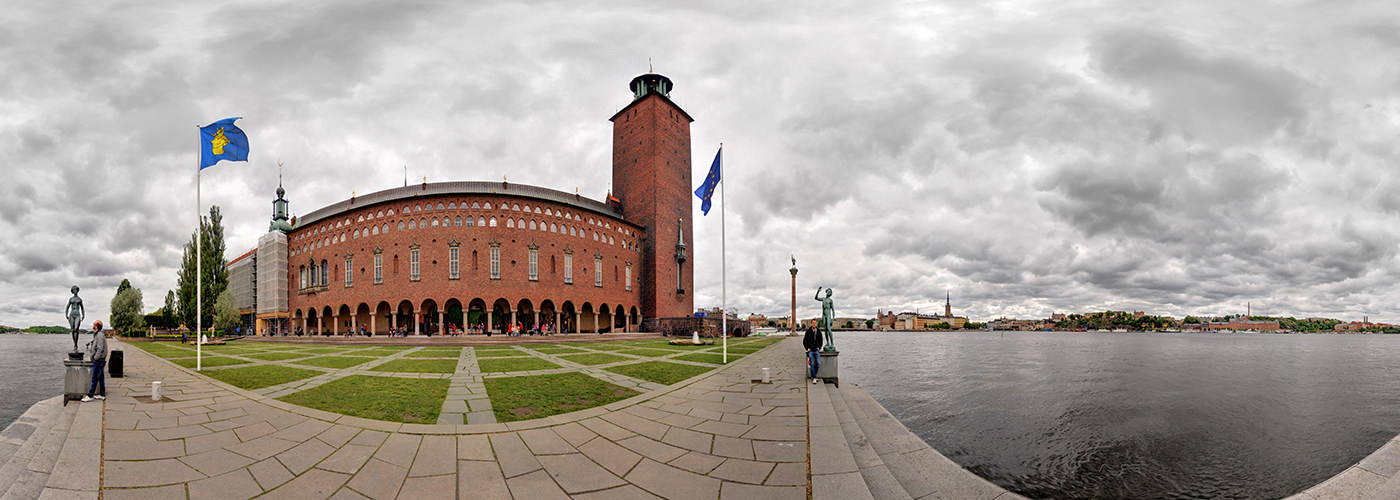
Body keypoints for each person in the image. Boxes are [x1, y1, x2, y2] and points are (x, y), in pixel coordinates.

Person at [81, 321, 108, 402]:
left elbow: (100, 348)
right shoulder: (99, 334)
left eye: (94, 324)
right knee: (100, 378)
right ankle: (102, 394)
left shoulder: (99, 335)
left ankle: (90, 395)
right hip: (100, 360)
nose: (92, 325)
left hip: (99, 361)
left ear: (96, 326)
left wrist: (95, 358)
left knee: (95, 378)